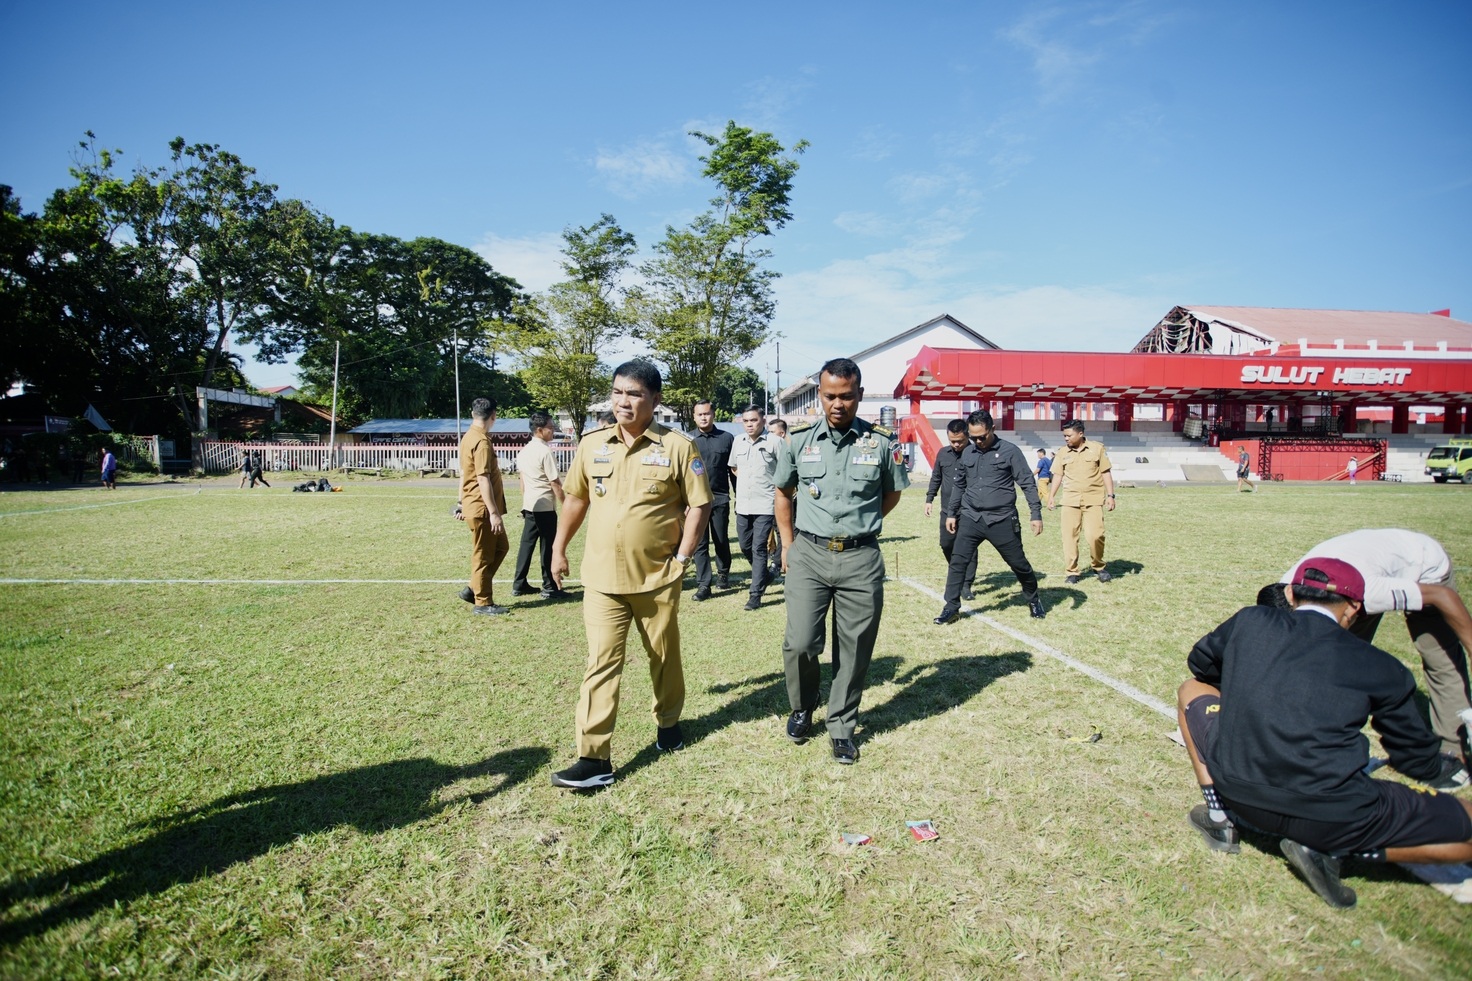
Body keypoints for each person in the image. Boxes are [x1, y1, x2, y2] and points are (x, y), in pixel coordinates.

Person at [1180, 558, 1472, 909]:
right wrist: (1443, 766)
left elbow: (1201, 665)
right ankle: (1338, 850)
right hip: (1331, 814)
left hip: (1237, 788)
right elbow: (1414, 758)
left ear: (1290, 593)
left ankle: (1219, 817)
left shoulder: (1250, 620)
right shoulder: (1382, 666)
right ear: (1355, 608)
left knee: (1191, 690)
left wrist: (1253, 688)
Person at [549, 360, 712, 789]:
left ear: (654, 401)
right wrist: (558, 547)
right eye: (618, 392)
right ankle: (593, 758)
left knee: (664, 657)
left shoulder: (678, 447)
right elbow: (575, 500)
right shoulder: (591, 444)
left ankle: (669, 724)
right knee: (600, 663)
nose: (623, 401)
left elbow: (700, 504)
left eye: (634, 394)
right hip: (602, 579)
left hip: (657, 576)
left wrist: (681, 558)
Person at [773, 358, 909, 764]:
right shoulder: (798, 441)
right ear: (820, 395)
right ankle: (803, 706)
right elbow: (783, 492)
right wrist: (787, 542)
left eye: (846, 396)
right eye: (830, 396)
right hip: (809, 554)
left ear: (859, 396)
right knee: (800, 642)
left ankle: (842, 725)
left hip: (860, 558)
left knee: (853, 650)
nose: (838, 404)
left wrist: (860, 524)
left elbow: (892, 493)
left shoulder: (882, 444)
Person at [1260, 529, 1472, 786]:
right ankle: (1324, 739)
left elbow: (1444, 597)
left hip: (1425, 569)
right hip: (1355, 577)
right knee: (1333, 662)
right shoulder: (1283, 592)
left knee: (1440, 658)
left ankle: (1453, 746)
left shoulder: (1370, 592)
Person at [933, 409, 1045, 624]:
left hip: (1001, 519)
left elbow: (1027, 483)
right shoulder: (968, 453)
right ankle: (951, 607)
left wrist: (1035, 514)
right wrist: (951, 513)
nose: (978, 441)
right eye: (973, 438)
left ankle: (1033, 599)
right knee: (957, 562)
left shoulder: (1010, 451)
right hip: (971, 518)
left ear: (993, 429)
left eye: (982, 437)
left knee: (1018, 564)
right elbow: (959, 485)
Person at [456, 398, 511, 616]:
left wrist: (461, 503)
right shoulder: (481, 441)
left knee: (500, 547)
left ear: (472, 414)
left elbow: (463, 475)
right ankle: (483, 602)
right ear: (493, 416)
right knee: (483, 554)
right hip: (482, 508)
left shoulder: (469, 436)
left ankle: (474, 588)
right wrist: (494, 513)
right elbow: (482, 478)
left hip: (476, 505)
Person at [1047, 419, 1115, 583]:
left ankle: (1098, 566)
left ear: (1080, 433)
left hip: (1093, 499)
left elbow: (1105, 472)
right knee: (1069, 537)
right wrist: (1051, 496)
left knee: (1095, 536)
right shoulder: (1062, 452)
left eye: (1069, 435)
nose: (1066, 439)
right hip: (1070, 500)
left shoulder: (1097, 449)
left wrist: (1111, 496)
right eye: (1064, 436)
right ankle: (1072, 571)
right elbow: (1057, 475)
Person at [511, 410, 567, 600]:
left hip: (530, 504)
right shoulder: (545, 451)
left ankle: (519, 583)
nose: (553, 432)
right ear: (540, 430)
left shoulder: (525, 450)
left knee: (526, 545)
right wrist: (566, 505)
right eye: (551, 428)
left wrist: (524, 499)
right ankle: (550, 586)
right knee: (548, 546)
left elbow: (522, 479)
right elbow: (555, 483)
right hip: (544, 505)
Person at [729, 403, 780, 611]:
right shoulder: (738, 441)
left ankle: (755, 594)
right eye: (746, 421)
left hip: (766, 503)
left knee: (759, 548)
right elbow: (733, 467)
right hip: (743, 504)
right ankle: (765, 575)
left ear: (763, 420)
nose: (749, 424)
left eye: (754, 420)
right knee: (744, 546)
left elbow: (786, 470)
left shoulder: (775, 442)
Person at [925, 419, 978, 600]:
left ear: (967, 436)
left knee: (968, 547)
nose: (956, 444)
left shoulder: (975, 453)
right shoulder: (943, 454)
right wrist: (929, 498)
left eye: (960, 441)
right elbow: (936, 477)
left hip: (970, 510)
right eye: (952, 441)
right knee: (946, 544)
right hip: (947, 509)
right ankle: (958, 570)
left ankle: (966, 585)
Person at [689, 400, 734, 600]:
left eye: (707, 413)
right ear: (694, 416)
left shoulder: (727, 438)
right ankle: (703, 584)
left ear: (713, 414)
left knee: (721, 539)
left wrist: (738, 494)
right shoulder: (687, 440)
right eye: (700, 414)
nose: (704, 417)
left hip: (720, 498)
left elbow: (733, 471)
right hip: (695, 501)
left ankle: (723, 572)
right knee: (699, 543)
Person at [766, 419, 789, 578]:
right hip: (772, 495)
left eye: (772, 432)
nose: (769, 436)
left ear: (781, 434)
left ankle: (778, 562)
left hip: (787, 497)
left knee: (784, 532)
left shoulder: (789, 448)